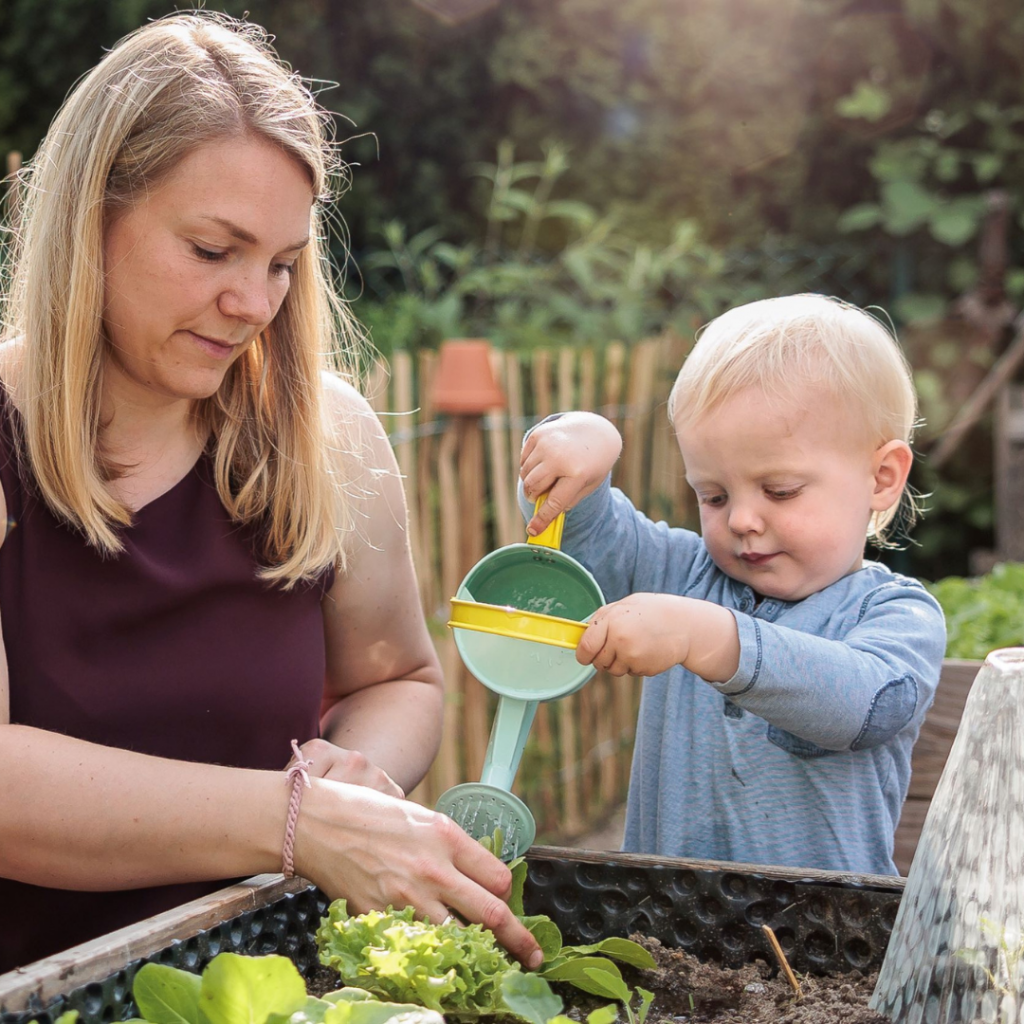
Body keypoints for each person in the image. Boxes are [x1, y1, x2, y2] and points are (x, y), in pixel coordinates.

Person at [0, 13, 541, 973]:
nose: (255, 304)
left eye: (284, 264)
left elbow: (399, 682)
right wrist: (299, 822)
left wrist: (356, 775)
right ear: (92, 219)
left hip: (285, 984)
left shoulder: (327, 437)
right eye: (213, 251)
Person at [519, 294, 946, 876]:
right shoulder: (681, 574)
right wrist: (580, 439)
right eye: (713, 496)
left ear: (882, 477)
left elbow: (865, 705)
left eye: (780, 490)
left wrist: (714, 640)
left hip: (819, 945)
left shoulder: (895, 613)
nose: (741, 519)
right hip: (661, 931)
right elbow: (579, 532)